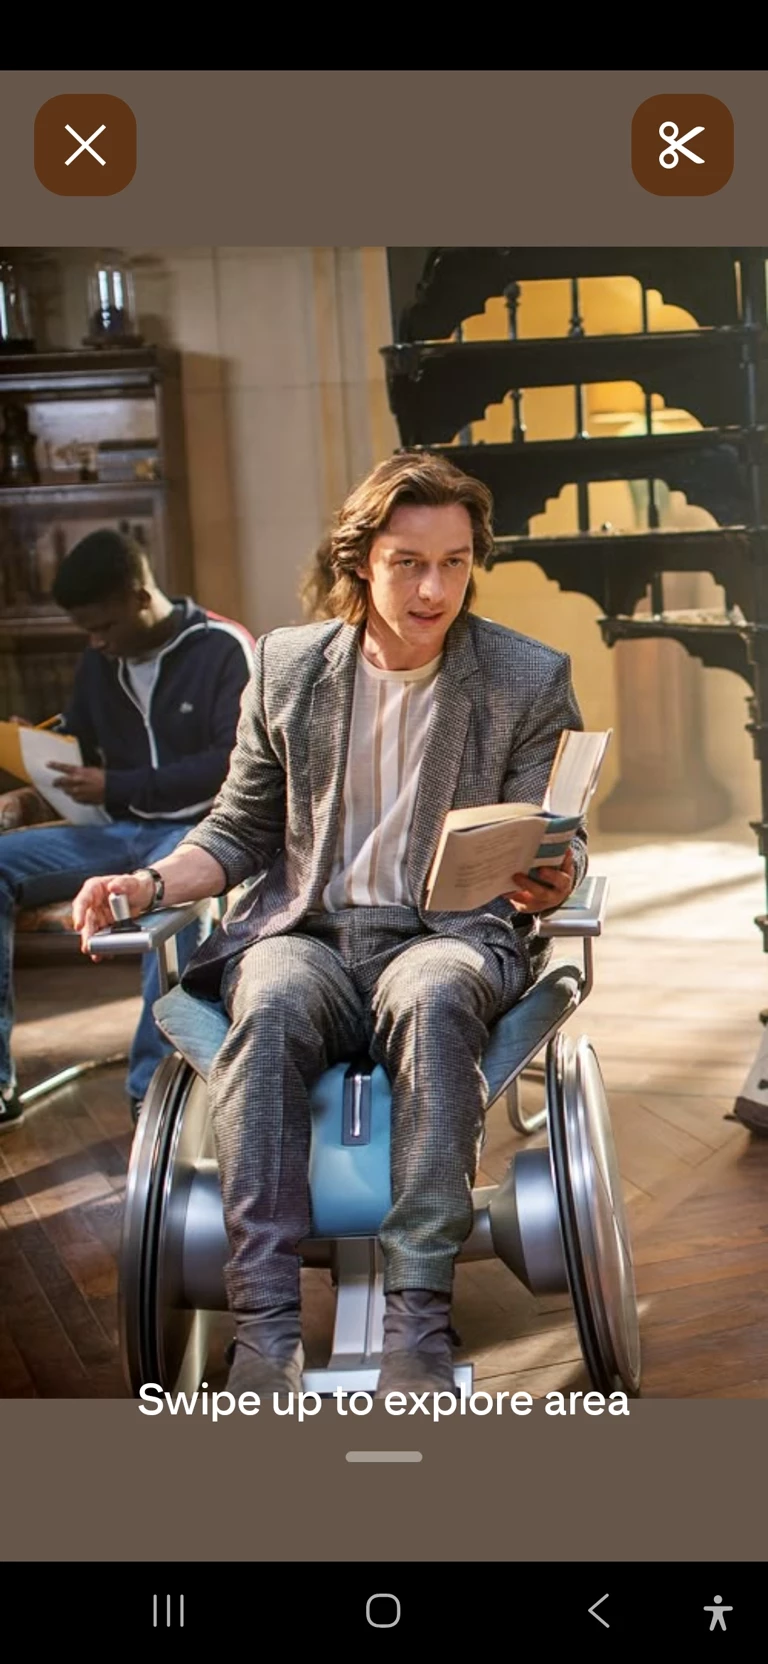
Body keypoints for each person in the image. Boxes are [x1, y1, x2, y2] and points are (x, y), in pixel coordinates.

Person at [73, 452, 588, 1399]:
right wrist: (146, 883)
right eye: (408, 563)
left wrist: (553, 879)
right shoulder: (289, 666)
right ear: (360, 562)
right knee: (267, 1001)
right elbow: (238, 830)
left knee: (435, 999)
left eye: (455, 563)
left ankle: (417, 1320)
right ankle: (265, 1329)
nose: (433, 589)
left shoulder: (525, 676)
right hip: (308, 932)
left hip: (446, 937)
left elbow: (555, 833)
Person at [0, 528, 254, 1129]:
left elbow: (233, 763)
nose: (95, 642)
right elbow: (81, 744)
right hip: (113, 833)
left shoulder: (223, 648)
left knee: (181, 902)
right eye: (86, 631)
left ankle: (154, 1095)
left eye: (104, 627)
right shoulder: (100, 661)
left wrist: (116, 785)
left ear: (141, 597)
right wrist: (35, 758)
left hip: (200, 834)